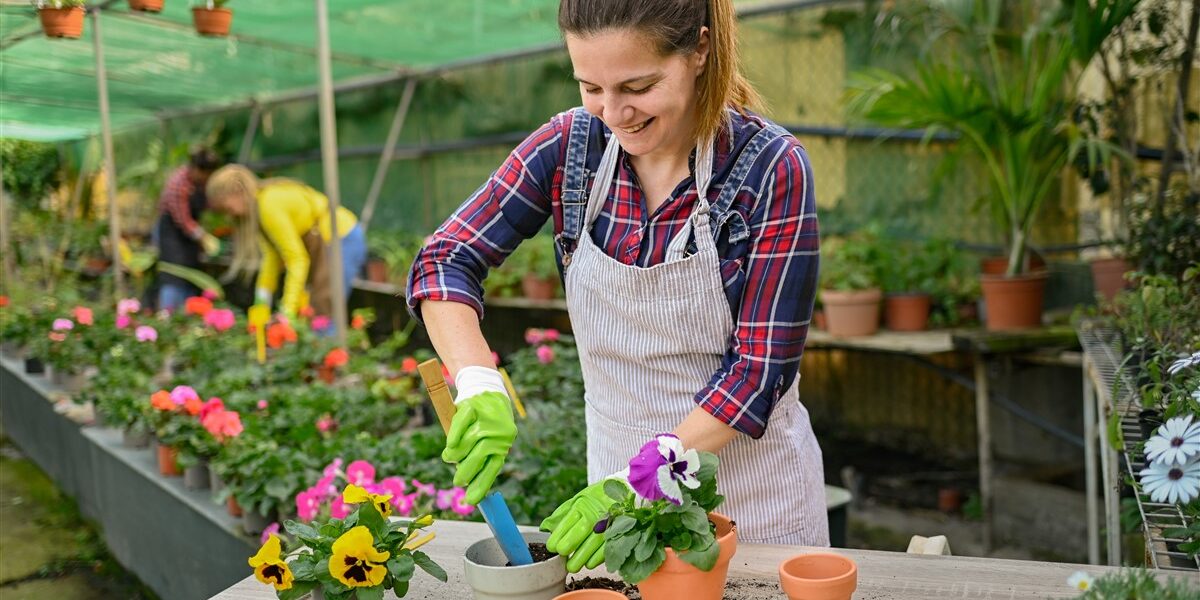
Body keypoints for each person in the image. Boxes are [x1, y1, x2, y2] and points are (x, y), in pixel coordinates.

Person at [406, 0, 827, 572]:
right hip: (614, 508)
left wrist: (643, 482)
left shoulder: (769, 168)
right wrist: (477, 379)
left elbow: (760, 371)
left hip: (752, 500)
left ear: (700, 50)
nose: (614, 113)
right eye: (590, 87)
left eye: (638, 85)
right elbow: (447, 257)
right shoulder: (569, 149)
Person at [204, 165, 367, 318]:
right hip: (331, 240)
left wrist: (287, 311)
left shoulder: (268, 205)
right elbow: (272, 258)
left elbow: (296, 259)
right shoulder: (259, 211)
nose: (228, 215)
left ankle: (333, 345)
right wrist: (261, 304)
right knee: (317, 309)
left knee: (324, 309)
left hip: (342, 237)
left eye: (226, 207)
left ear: (237, 191)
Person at [154, 146, 222, 312]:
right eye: (206, 174)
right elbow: (183, 221)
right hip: (171, 236)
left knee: (192, 275)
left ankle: (189, 316)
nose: (207, 178)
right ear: (197, 169)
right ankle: (168, 315)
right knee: (173, 275)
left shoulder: (200, 184)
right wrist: (204, 238)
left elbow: (209, 208)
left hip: (188, 240)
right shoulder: (178, 184)